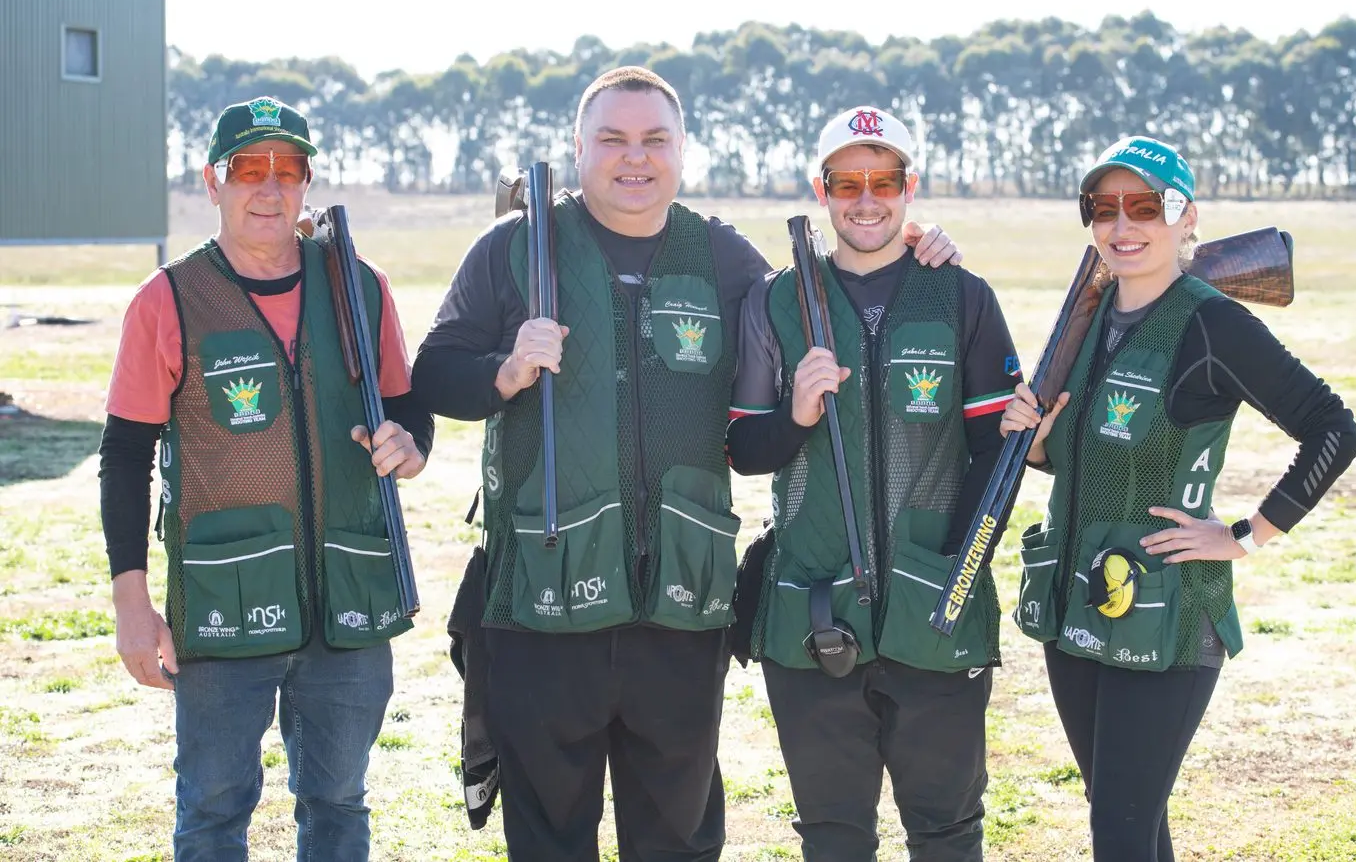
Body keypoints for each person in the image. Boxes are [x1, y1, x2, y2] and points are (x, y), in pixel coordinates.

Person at [412, 69, 960, 860]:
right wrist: (504, 371)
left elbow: (833, 292)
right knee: (546, 838)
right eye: (612, 139)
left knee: (676, 840)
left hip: (683, 605)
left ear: (681, 151)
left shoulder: (726, 259)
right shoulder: (513, 249)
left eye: (653, 140)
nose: (634, 158)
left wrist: (918, 246)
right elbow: (433, 375)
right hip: (540, 599)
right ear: (578, 148)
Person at [999, 135, 1356, 861]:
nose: (1121, 225)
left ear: (1186, 217)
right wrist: (1037, 440)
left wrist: (1243, 534)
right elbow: (1091, 458)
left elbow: (1333, 429)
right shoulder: (1090, 315)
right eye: (1103, 208)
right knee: (1126, 821)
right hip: (1078, 605)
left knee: (1120, 834)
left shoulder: (1210, 322)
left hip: (1166, 616)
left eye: (1145, 205)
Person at [98, 95, 434, 862]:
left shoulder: (360, 285)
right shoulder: (169, 298)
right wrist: (132, 606)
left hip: (348, 595)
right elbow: (125, 456)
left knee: (339, 803)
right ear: (212, 182)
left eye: (289, 169)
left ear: (308, 183)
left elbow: (409, 409)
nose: (269, 187)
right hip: (222, 599)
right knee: (214, 810)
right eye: (248, 168)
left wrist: (409, 446)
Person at [725, 105, 1023, 861]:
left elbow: (997, 450)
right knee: (832, 835)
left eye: (883, 180)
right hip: (812, 612)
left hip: (937, 612)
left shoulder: (960, 295)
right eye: (846, 182)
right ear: (819, 190)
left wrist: (955, 568)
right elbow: (743, 448)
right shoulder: (773, 300)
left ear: (908, 186)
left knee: (948, 830)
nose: (866, 199)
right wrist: (794, 414)